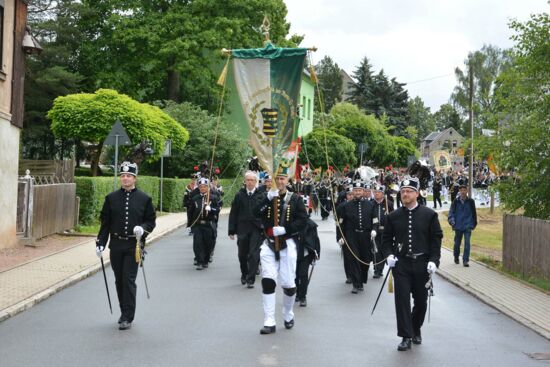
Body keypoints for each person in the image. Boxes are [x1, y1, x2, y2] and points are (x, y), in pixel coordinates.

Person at [381, 176, 443, 351]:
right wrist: (389, 255)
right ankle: (405, 336)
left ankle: (416, 328)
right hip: (402, 264)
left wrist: (433, 260)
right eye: (402, 191)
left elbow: (435, 240)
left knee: (421, 302)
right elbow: (386, 240)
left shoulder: (429, 215)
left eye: (409, 191)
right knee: (401, 300)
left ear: (416, 194)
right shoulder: (393, 216)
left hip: (422, 264)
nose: (405, 194)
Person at [95, 162, 156, 330]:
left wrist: (142, 229)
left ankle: (127, 316)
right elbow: (105, 224)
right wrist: (100, 243)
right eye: (123, 176)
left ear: (135, 178)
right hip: (116, 244)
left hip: (133, 245)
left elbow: (151, 221)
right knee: (119, 280)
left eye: (129, 176)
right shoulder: (111, 198)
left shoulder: (144, 199)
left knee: (128, 280)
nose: (125, 178)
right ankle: (124, 311)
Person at [254, 169, 308, 334]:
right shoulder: (266, 197)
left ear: (288, 180)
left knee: (289, 285)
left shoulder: (296, 199)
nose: (280, 181)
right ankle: (269, 320)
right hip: (269, 244)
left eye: (283, 178)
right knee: (268, 281)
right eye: (277, 178)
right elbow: (255, 213)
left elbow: (303, 220)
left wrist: (286, 229)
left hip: (288, 243)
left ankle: (288, 313)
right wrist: (267, 199)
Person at [228, 171, 263, 288]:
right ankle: (244, 273)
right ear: (245, 181)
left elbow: (265, 214)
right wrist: (231, 231)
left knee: (253, 254)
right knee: (242, 255)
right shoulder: (239, 195)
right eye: (248, 180)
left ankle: (251, 279)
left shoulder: (261, 195)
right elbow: (233, 213)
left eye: (252, 180)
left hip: (256, 229)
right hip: (242, 228)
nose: (250, 182)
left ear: (256, 182)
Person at [339, 182, 374, 294]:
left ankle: (362, 280)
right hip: (351, 235)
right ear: (353, 192)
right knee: (354, 259)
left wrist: (375, 230)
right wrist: (340, 236)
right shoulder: (346, 206)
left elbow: (375, 220)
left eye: (360, 190)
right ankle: (356, 283)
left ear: (363, 191)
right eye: (356, 190)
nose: (358, 192)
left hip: (366, 235)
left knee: (365, 260)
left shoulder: (370, 205)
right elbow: (341, 223)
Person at [189, 177, 221, 270]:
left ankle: (206, 260)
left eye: (204, 187)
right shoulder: (195, 198)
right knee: (198, 243)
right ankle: (199, 261)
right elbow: (190, 212)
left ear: (208, 187)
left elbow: (218, 210)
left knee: (208, 243)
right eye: (201, 187)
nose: (203, 188)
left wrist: (211, 209)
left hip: (208, 224)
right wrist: (190, 224)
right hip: (198, 224)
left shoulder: (213, 198)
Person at [448, 184, 477, 267]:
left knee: (467, 243)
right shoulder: (455, 201)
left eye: (465, 190)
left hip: (468, 225)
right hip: (458, 225)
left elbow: (474, 213)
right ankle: (456, 256)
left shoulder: (471, 201)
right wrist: (452, 221)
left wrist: (474, 223)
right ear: (459, 191)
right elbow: (451, 213)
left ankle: (465, 260)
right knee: (457, 243)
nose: (463, 192)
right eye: (461, 190)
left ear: (467, 191)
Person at [370, 183, 393, 278]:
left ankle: (381, 268)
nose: (377, 194)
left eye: (379, 192)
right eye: (375, 192)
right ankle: (376, 270)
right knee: (376, 251)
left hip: (385, 232)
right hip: (375, 232)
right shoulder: (372, 204)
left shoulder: (388, 204)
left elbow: (393, 218)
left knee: (384, 251)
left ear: (383, 194)